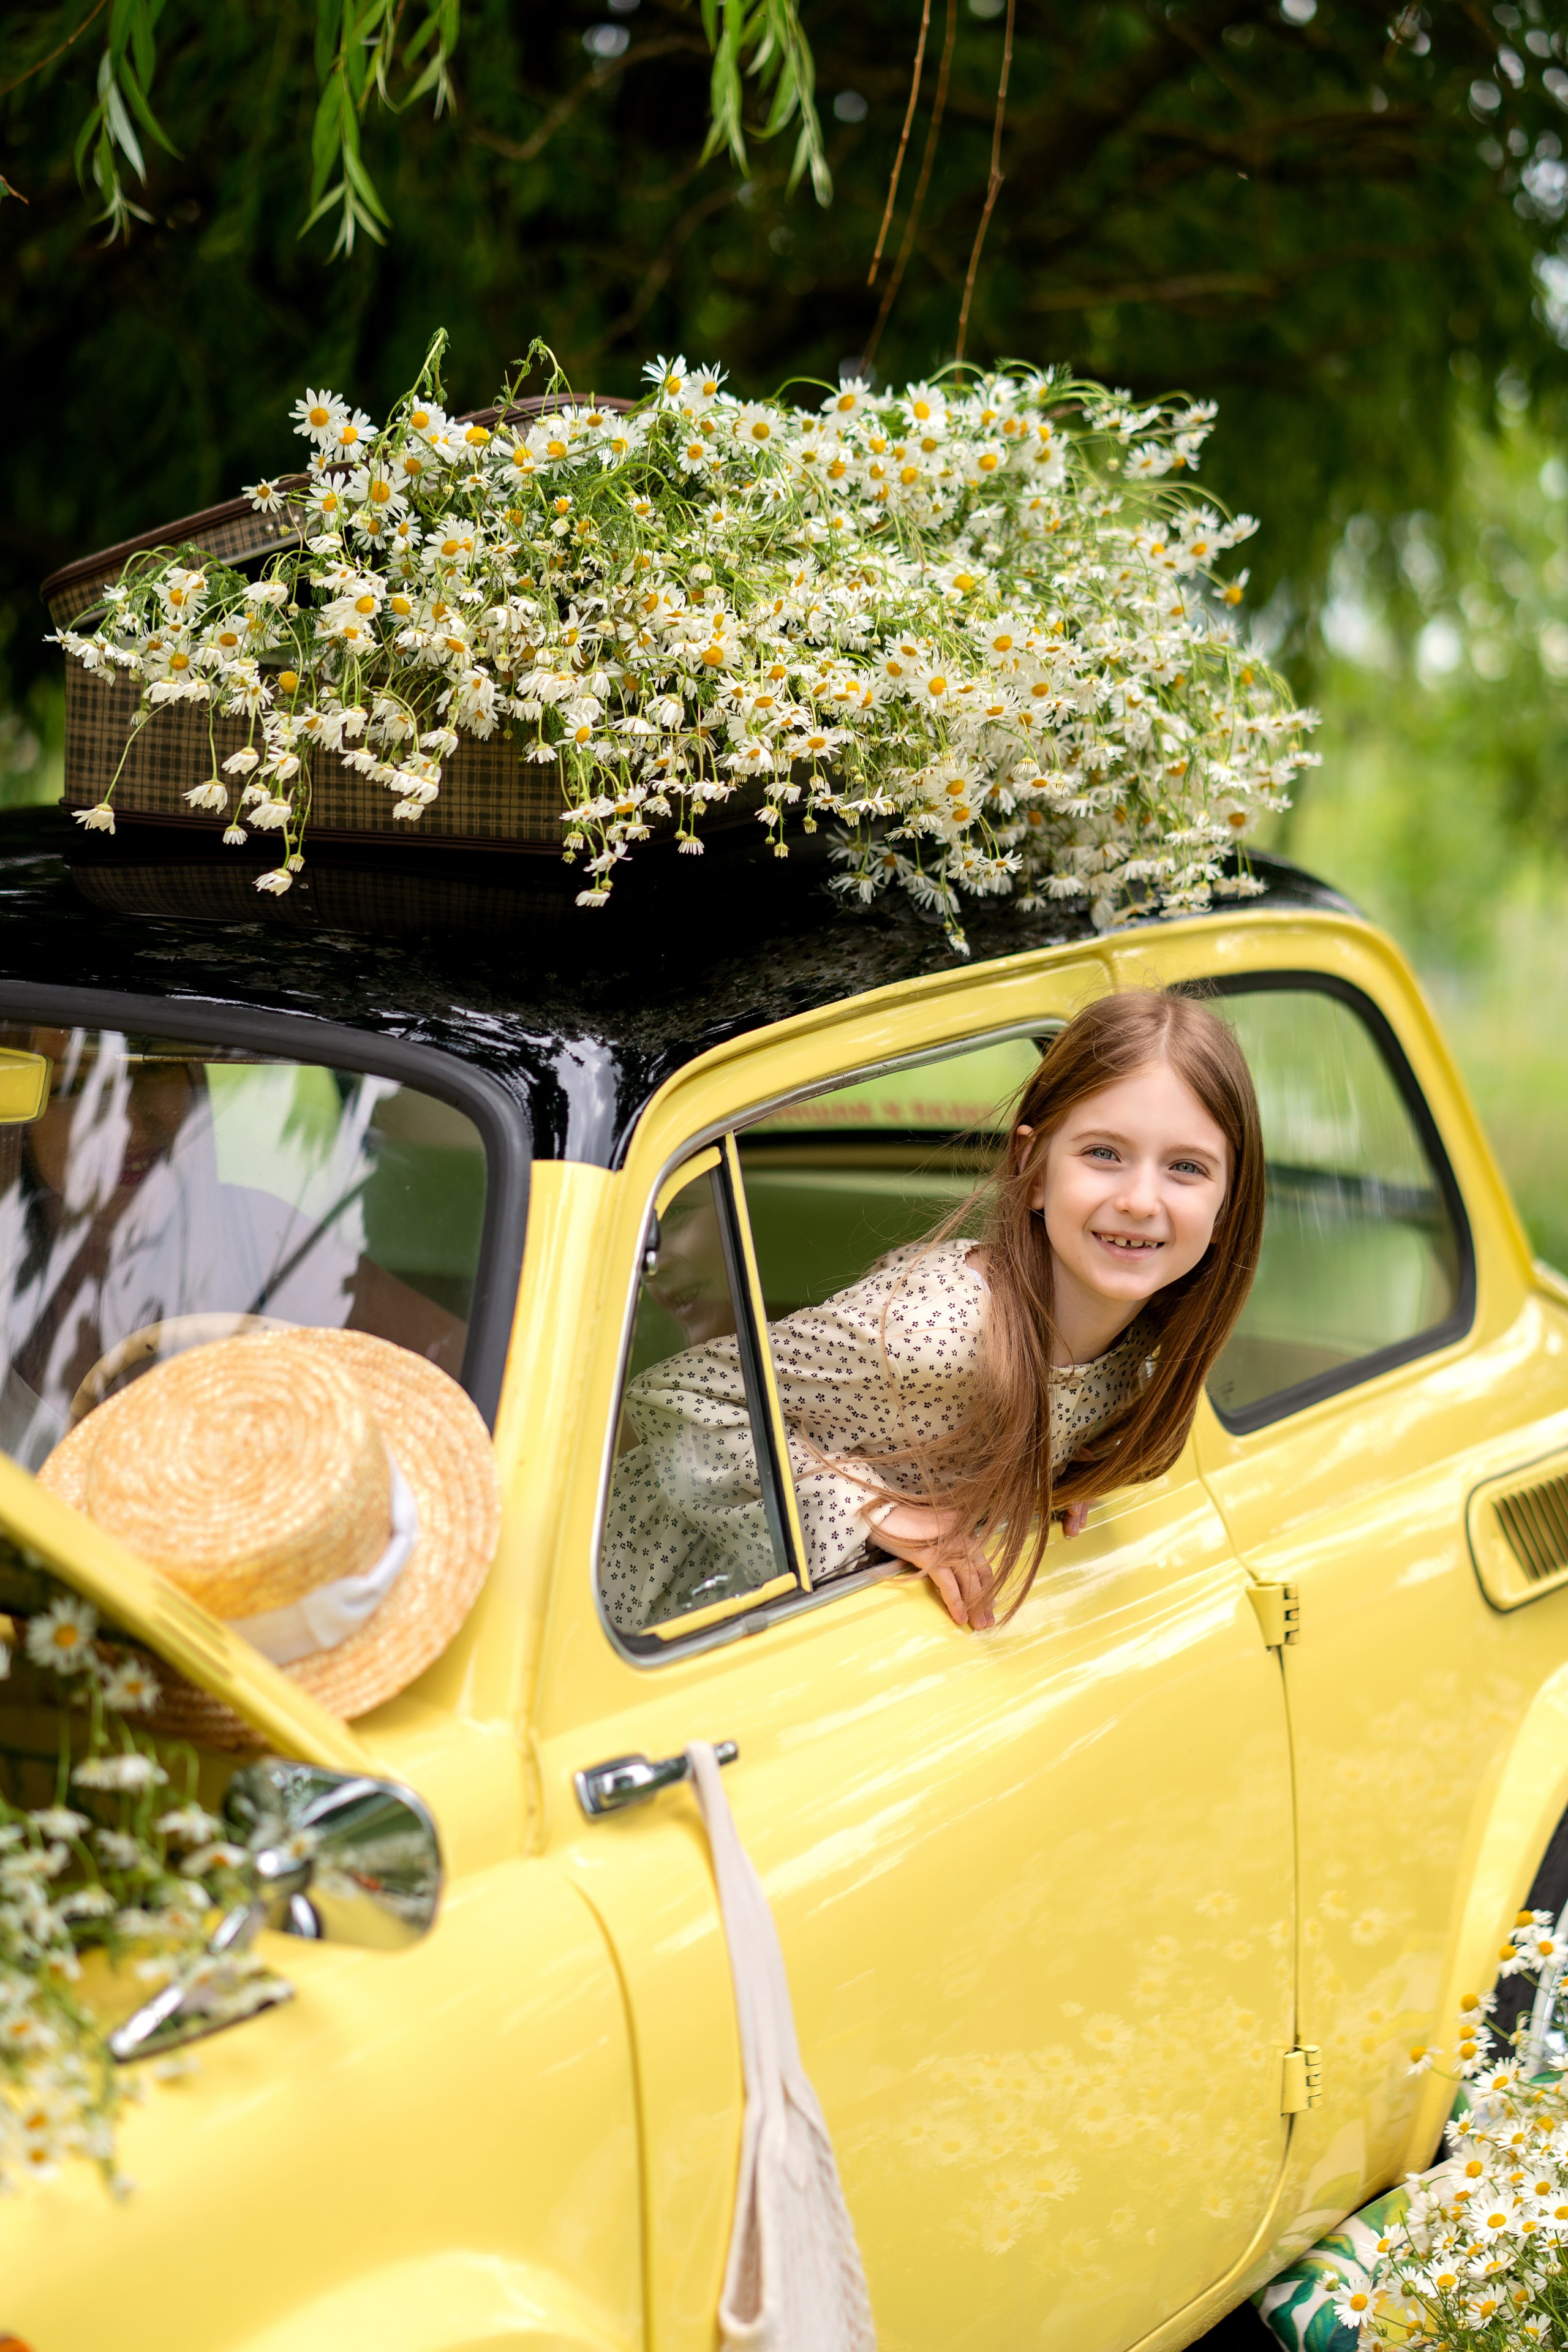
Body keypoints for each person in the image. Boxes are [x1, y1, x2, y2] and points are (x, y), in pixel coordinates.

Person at [600, 989, 1265, 1635]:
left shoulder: (1138, 1344)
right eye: (1103, 1154)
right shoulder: (940, 1331)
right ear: (1033, 1170)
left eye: (1185, 1168)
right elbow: (675, 1395)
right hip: (653, 1604)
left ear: (1225, 1210)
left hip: (780, 1617)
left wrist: (1059, 1462)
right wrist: (873, 1511)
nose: (1141, 1200)